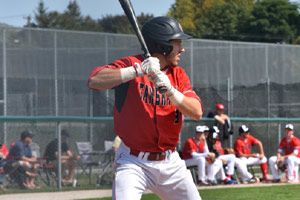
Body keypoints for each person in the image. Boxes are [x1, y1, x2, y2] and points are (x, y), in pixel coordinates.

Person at [88, 16, 203, 200]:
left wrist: (172, 92)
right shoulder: (132, 64)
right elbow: (95, 81)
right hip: (133, 162)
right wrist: (135, 71)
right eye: (177, 43)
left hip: (170, 162)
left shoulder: (178, 75)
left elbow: (197, 112)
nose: (182, 49)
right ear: (162, 46)